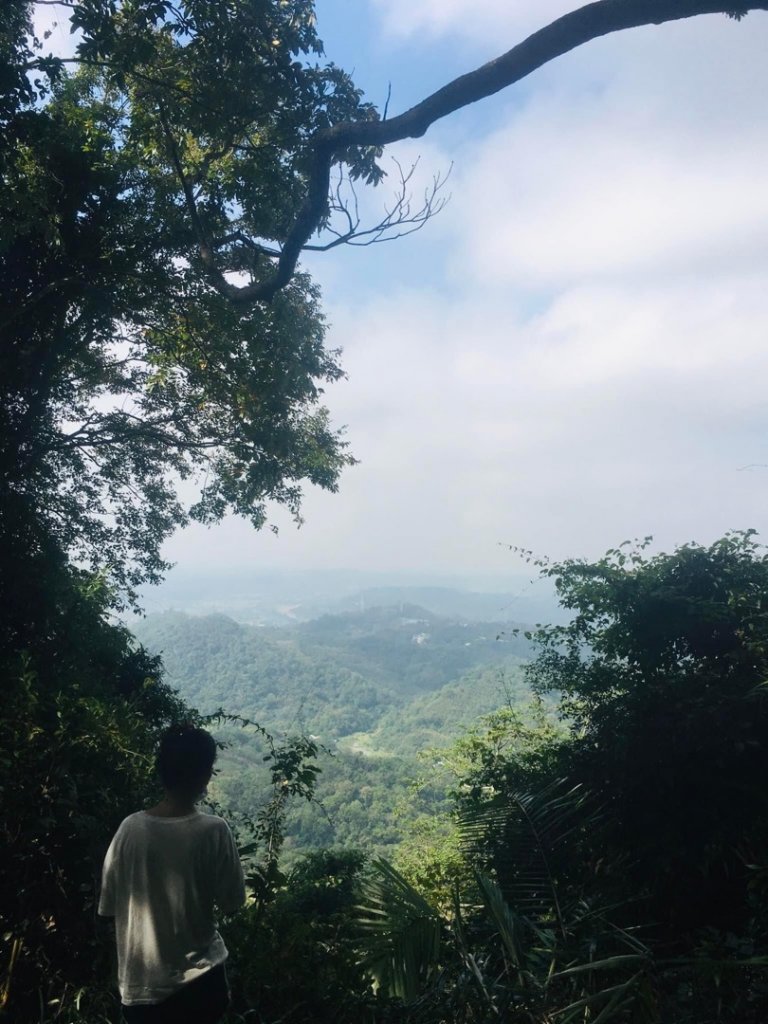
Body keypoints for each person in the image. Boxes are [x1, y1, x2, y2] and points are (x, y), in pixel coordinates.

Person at [99, 724, 246, 1023]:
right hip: (202, 985)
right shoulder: (214, 831)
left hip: (141, 991)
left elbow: (109, 907)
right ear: (205, 774)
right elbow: (234, 902)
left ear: (161, 771)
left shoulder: (130, 830)